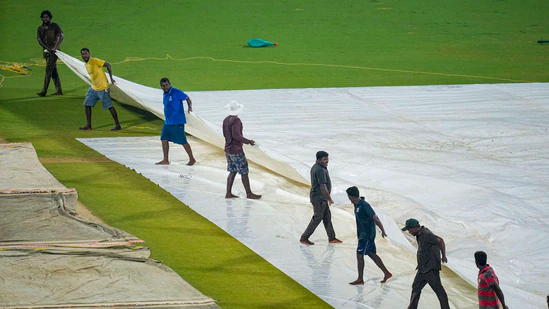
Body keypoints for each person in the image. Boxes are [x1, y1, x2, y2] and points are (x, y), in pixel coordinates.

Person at [346, 186, 392, 285]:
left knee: (359, 255)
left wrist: (383, 230)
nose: (348, 199)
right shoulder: (357, 204)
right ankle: (387, 273)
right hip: (363, 233)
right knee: (371, 254)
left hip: (366, 235)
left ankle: (360, 279)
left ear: (352, 196)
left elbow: (375, 218)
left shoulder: (364, 205)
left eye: (349, 197)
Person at [402, 218, 450, 309]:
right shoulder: (420, 233)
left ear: (414, 228)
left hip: (430, 268)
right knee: (416, 287)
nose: (409, 231)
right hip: (422, 267)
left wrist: (443, 256)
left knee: (439, 290)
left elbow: (440, 240)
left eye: (409, 229)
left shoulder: (426, 234)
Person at [300, 151, 341, 245]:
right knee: (317, 218)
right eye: (324, 159)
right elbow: (323, 186)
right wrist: (329, 198)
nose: (327, 161)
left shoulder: (321, 167)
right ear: (318, 159)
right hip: (319, 198)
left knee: (327, 217)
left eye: (327, 159)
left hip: (322, 198)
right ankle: (304, 238)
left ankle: (332, 237)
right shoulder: (319, 170)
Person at [222, 100, 261, 199]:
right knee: (244, 171)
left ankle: (228, 193)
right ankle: (249, 193)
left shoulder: (226, 120)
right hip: (236, 150)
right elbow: (236, 135)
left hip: (227, 149)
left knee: (232, 171)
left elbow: (225, 135)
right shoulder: (236, 121)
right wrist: (248, 141)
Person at [155, 78, 196, 166]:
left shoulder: (176, 92)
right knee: (164, 139)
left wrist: (190, 107)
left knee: (182, 140)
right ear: (161, 86)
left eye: (166, 85)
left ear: (170, 84)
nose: (165, 87)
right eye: (163, 86)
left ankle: (192, 159)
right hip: (168, 122)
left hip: (177, 121)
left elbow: (187, 98)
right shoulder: (165, 93)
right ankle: (165, 160)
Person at [79, 48, 121, 131]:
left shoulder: (95, 61)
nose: (84, 55)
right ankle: (88, 125)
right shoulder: (86, 64)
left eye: (86, 53)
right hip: (94, 88)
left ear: (89, 54)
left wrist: (111, 78)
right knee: (87, 104)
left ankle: (118, 125)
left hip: (103, 88)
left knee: (109, 106)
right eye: (83, 54)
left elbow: (108, 65)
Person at [36, 10, 63, 97]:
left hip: (55, 52)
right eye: (44, 17)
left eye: (47, 17)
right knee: (53, 71)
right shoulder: (40, 28)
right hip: (47, 52)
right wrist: (48, 48)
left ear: (50, 18)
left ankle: (44, 91)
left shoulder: (55, 26)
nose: (45, 19)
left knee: (48, 70)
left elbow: (61, 36)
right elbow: (39, 40)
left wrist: (55, 47)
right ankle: (59, 91)